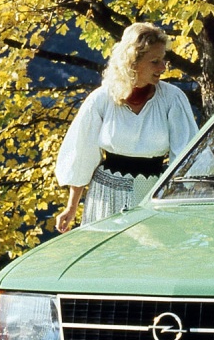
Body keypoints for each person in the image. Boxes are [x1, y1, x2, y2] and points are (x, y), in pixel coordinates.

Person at [54, 22, 198, 232]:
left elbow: (187, 156)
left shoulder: (172, 99)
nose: (163, 67)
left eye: (163, 60)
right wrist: (71, 207)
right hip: (106, 198)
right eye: (155, 61)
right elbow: (82, 153)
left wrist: (178, 203)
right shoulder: (102, 99)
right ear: (133, 62)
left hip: (152, 198)